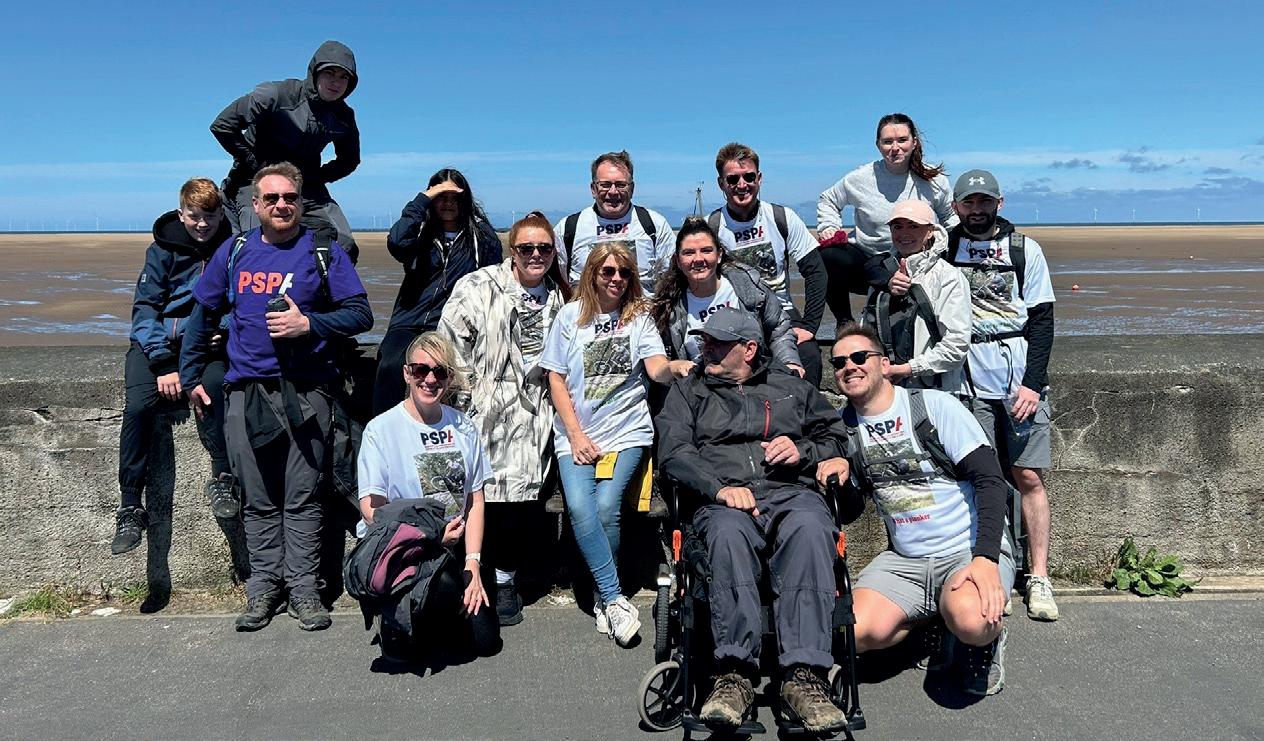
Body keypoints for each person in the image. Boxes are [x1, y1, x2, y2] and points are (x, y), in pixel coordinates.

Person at [179, 162, 373, 632]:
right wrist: (191, 376)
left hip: (307, 395)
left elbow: (360, 314)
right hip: (246, 393)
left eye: (290, 197)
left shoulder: (323, 251)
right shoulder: (235, 250)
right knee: (258, 499)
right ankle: (263, 589)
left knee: (303, 499)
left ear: (300, 202)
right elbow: (203, 314)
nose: (282, 205)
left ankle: (305, 591)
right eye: (272, 198)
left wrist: (310, 324)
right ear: (256, 205)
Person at [656, 306, 851, 734]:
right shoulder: (688, 392)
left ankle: (803, 678)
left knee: (810, 528)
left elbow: (835, 437)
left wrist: (804, 452)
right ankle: (734, 675)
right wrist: (717, 488)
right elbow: (674, 453)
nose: (706, 348)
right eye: (705, 340)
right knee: (728, 535)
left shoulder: (790, 386)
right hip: (723, 499)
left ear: (748, 349)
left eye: (717, 343)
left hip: (790, 492)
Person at [825, 323, 1014, 696]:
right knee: (849, 631)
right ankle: (932, 628)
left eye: (860, 357)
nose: (849, 366)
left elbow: (991, 481)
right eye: (839, 362)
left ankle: (982, 640)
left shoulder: (933, 406)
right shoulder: (844, 430)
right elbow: (850, 511)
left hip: (967, 548)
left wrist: (985, 559)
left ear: (884, 364)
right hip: (906, 561)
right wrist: (840, 478)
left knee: (973, 619)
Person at [539, 242, 687, 647]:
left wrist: (673, 368)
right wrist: (575, 434)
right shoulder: (570, 316)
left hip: (627, 431)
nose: (616, 279)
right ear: (592, 274)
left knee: (607, 506)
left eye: (624, 272)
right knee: (580, 506)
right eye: (608, 272)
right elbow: (555, 378)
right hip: (575, 433)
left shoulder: (638, 317)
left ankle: (608, 597)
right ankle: (613, 596)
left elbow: (655, 367)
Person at [438, 211, 571, 626]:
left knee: (520, 502)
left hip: (536, 412)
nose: (535, 255)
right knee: (476, 496)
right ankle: (468, 575)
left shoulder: (561, 299)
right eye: (526, 248)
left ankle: (505, 579)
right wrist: (465, 402)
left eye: (544, 248)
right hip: (482, 408)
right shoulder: (478, 287)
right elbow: (450, 343)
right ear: (512, 250)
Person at [946, 169, 1059, 622]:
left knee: (1027, 476)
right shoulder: (945, 247)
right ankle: (993, 570)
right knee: (982, 478)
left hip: (1017, 384)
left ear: (1000, 202)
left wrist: (1033, 382)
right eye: (968, 202)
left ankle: (1039, 576)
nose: (977, 210)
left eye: (984, 201)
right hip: (965, 383)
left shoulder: (1024, 249)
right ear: (955, 207)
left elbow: (1043, 320)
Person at [356, 331, 499, 659]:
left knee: (486, 643)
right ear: (407, 374)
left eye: (440, 372)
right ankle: (395, 615)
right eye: (421, 370)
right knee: (438, 603)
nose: (430, 379)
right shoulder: (381, 430)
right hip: (405, 548)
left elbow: (475, 500)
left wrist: (473, 563)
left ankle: (441, 612)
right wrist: (430, 536)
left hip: (456, 543)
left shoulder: (463, 426)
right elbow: (371, 510)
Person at [112, 178, 235, 555]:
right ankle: (130, 505)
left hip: (206, 343)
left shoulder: (233, 248)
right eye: (195, 216)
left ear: (221, 214)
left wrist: (222, 330)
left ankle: (223, 479)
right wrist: (165, 363)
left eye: (210, 216)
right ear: (182, 214)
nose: (202, 224)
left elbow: (241, 301)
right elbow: (145, 310)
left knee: (217, 391)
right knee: (139, 407)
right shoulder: (162, 250)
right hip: (158, 344)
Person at [211, 40, 362, 260]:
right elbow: (223, 125)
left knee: (344, 244)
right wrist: (254, 163)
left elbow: (349, 160)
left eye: (343, 77)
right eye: (329, 73)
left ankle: (315, 280)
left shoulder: (344, 116)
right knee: (257, 246)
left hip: (305, 187)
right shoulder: (276, 95)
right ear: (315, 72)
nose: (335, 82)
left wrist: (315, 177)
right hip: (254, 181)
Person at [374, 168, 502, 416]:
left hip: (455, 323)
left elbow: (493, 280)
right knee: (390, 366)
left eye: (455, 197)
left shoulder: (481, 236)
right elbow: (396, 243)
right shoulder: (419, 231)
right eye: (441, 196)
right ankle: (383, 426)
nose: (448, 203)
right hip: (410, 319)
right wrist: (422, 199)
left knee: (451, 377)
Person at [816, 114, 959, 326]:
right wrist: (829, 226)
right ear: (878, 145)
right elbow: (828, 199)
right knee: (826, 256)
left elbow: (949, 217)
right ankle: (845, 322)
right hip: (867, 262)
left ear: (914, 142)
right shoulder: (860, 178)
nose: (895, 148)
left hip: (917, 261)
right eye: (887, 142)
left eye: (902, 140)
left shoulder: (933, 180)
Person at [708, 143, 826, 386]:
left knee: (809, 357)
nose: (742, 185)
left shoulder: (782, 218)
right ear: (721, 184)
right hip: (735, 318)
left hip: (781, 312)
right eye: (733, 179)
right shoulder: (712, 226)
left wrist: (810, 326)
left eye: (749, 177)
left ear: (759, 179)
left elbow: (816, 271)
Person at [651, 216, 802, 375]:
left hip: (751, 378)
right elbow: (660, 360)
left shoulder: (747, 286)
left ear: (719, 255)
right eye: (689, 253)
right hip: (701, 384)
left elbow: (779, 328)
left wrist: (789, 362)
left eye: (706, 250)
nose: (698, 259)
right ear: (678, 260)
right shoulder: (668, 306)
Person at [860, 199, 970, 395]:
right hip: (884, 388)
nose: (904, 233)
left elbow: (957, 345)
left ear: (930, 231)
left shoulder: (948, 276)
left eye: (913, 226)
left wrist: (907, 369)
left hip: (935, 391)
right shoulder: (882, 273)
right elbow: (865, 330)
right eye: (897, 226)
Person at [554, 150, 675, 297]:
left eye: (621, 185)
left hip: (641, 310)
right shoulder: (568, 228)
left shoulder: (655, 225)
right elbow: (556, 279)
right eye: (605, 185)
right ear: (593, 189)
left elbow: (671, 277)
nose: (613, 192)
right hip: (586, 311)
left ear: (632, 189)